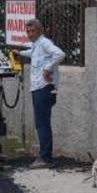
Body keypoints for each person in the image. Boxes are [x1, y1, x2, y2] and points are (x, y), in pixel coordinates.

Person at [18, 19, 65, 169]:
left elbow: (60, 54)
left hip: (44, 88)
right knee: (41, 123)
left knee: (42, 124)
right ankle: (45, 156)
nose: (30, 34)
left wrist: (48, 69)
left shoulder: (45, 43)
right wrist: (19, 53)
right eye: (28, 32)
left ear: (40, 30)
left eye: (33, 31)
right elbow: (33, 53)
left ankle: (45, 158)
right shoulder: (37, 45)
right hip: (38, 88)